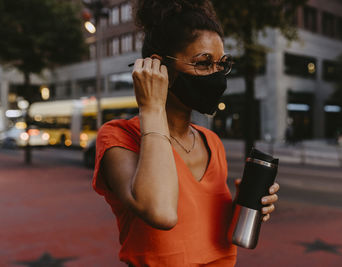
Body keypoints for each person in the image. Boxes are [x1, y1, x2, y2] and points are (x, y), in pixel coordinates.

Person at [92, 0, 279, 266]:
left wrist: (245, 209)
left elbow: (203, 232)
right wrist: (152, 107)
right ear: (158, 67)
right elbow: (161, 213)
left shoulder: (211, 141)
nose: (216, 75)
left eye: (221, 64)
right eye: (203, 63)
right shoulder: (119, 137)